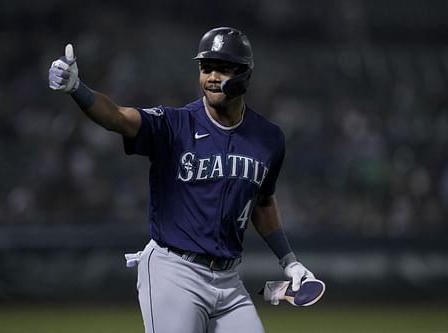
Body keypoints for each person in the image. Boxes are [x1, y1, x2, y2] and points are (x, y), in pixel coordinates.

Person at [48, 26, 317, 333]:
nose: (212, 76)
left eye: (223, 68)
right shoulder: (175, 125)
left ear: (245, 74)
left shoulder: (269, 138)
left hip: (229, 281)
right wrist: (77, 89)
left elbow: (263, 202)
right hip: (174, 272)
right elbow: (119, 117)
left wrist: (290, 262)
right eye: (206, 68)